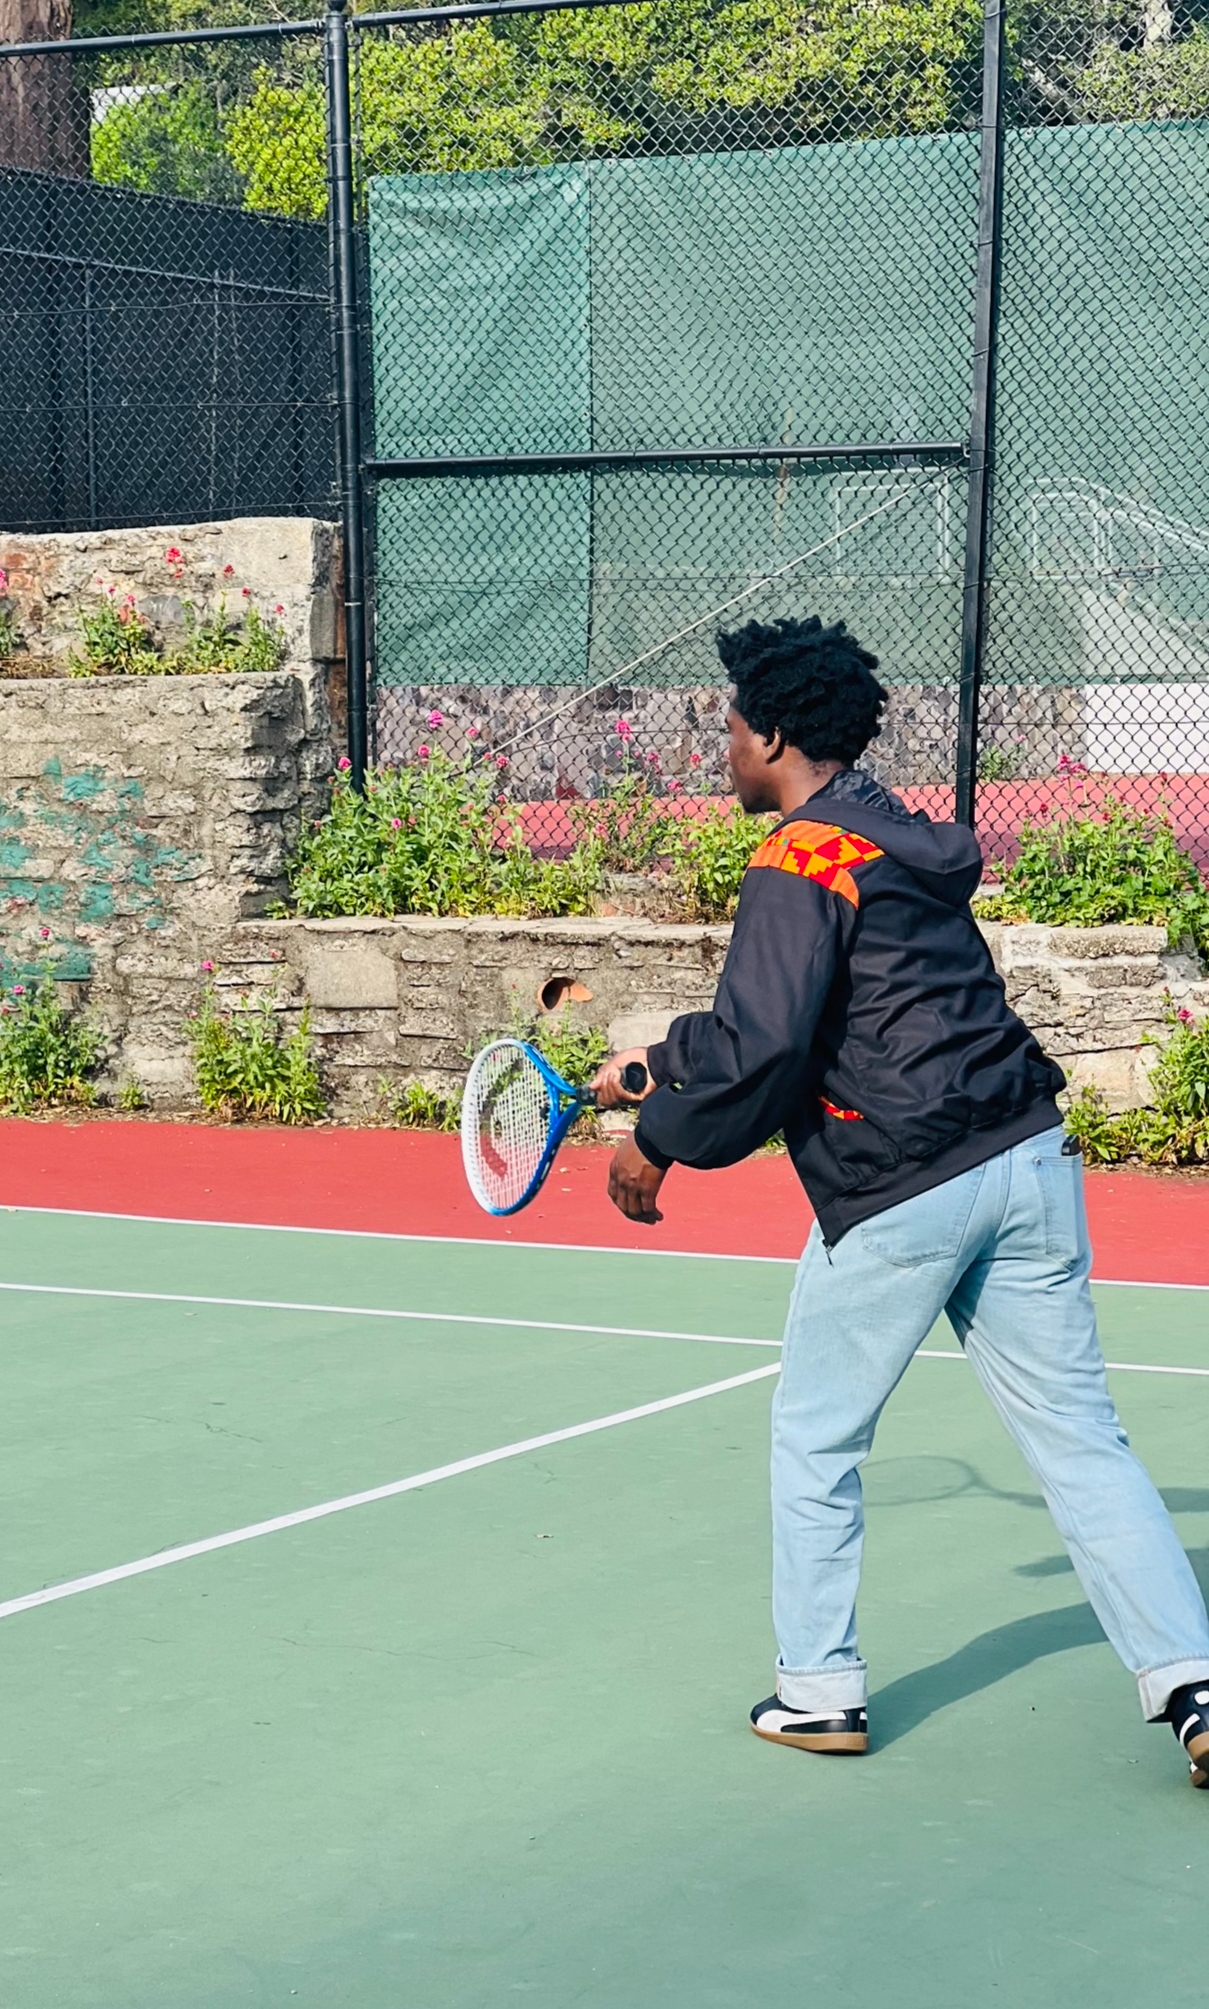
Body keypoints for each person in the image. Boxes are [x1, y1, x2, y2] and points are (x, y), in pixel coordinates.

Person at [592, 613, 1209, 1789]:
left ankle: (819, 1690)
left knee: (816, 1436)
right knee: (1084, 1443)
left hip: (901, 1184)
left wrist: (655, 1140)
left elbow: (767, 1048)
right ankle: (1194, 1683)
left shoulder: (793, 858)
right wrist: (659, 1061)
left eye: (727, 729)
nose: (720, 750)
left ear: (773, 732)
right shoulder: (894, 838)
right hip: (1026, 1158)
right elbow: (835, 1011)